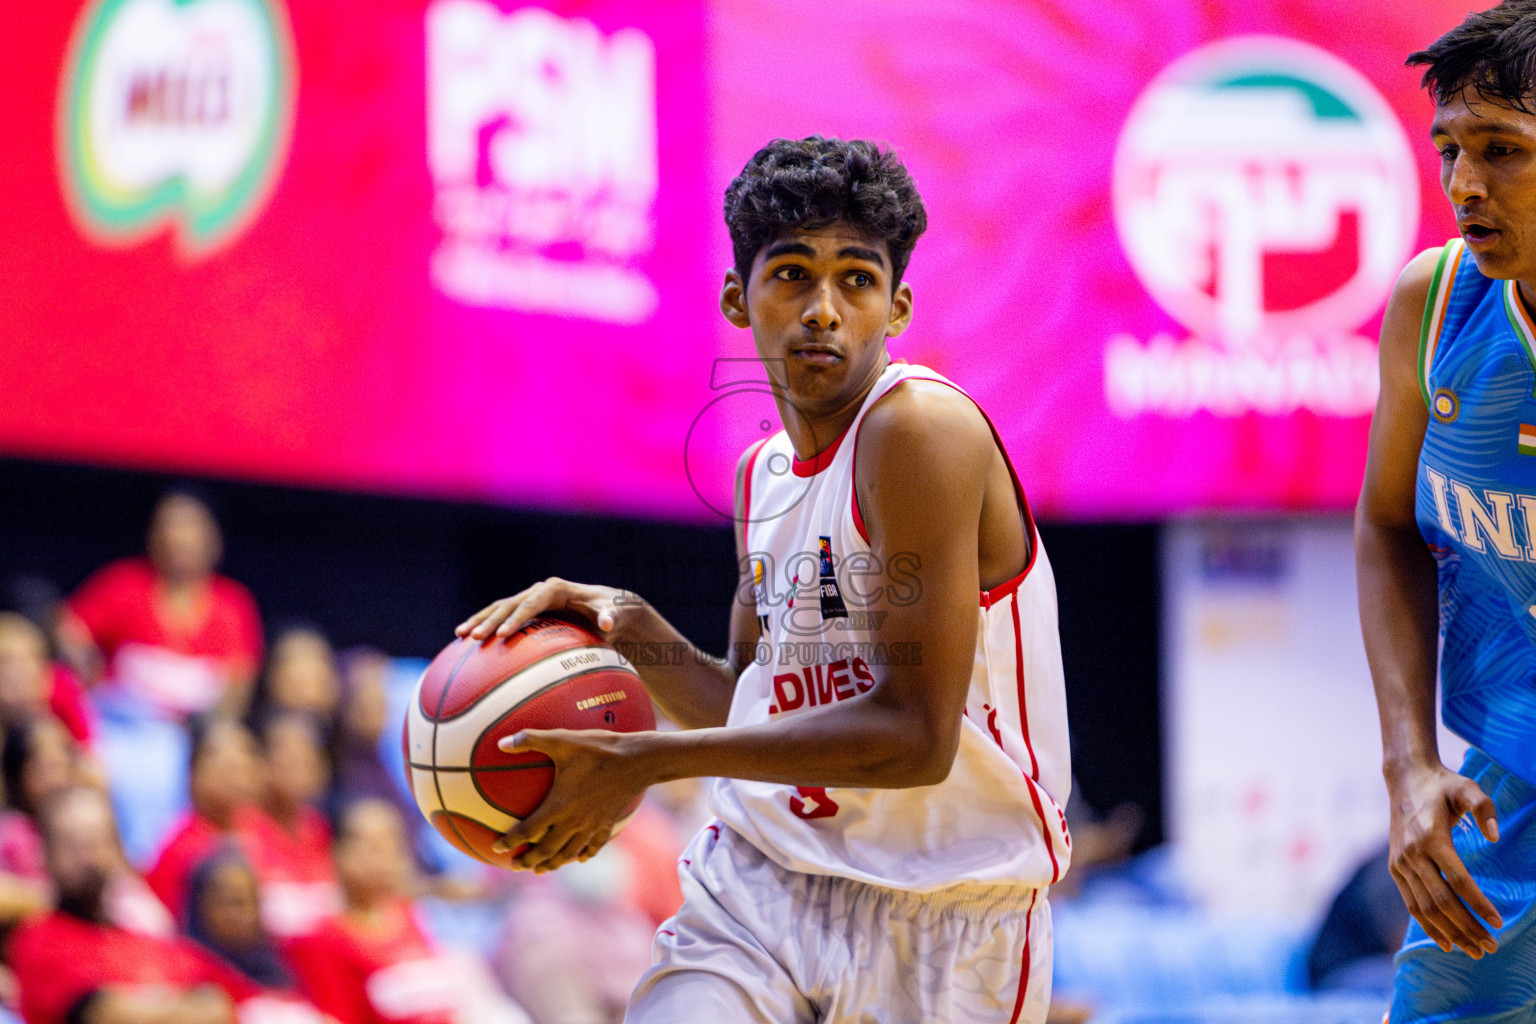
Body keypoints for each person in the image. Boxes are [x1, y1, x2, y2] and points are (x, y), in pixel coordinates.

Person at [458, 136, 1071, 1023]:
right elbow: (754, 711)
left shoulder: (922, 430)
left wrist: (645, 762)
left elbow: (915, 736)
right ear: (737, 299)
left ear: (896, 307)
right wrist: (632, 628)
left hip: (948, 917)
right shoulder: (760, 475)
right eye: (791, 275)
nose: (823, 310)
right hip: (760, 889)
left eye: (856, 280)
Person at [1356, 2, 1536, 1018]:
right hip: (1513, 781)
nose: (1466, 183)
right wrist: (1410, 764)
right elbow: (1388, 526)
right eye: (1451, 150)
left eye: (1503, 149)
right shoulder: (1434, 304)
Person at [7, 786, 254, 1024]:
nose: (88, 857)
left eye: (97, 841)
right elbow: (113, 1016)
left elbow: (224, 998)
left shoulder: (138, 933)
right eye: (71, 845)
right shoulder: (38, 940)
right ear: (44, 854)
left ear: (118, 849)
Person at [284, 799, 529, 1024]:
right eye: (370, 847)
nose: (383, 858)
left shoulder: (425, 916)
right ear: (336, 852)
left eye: (392, 844)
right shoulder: (322, 941)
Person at [60, 487, 263, 721]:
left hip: (197, 730)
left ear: (214, 540)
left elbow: (238, 683)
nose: (177, 537)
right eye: (169, 526)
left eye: (189, 526)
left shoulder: (233, 605)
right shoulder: (122, 584)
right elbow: (69, 630)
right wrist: (87, 674)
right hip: (120, 723)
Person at [145, 718, 270, 922]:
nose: (239, 779)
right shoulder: (180, 848)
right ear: (196, 775)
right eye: (229, 769)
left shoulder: (262, 827)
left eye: (245, 767)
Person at [249, 713, 341, 939]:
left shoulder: (320, 828)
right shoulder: (241, 830)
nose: (297, 769)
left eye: (306, 760)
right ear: (260, 764)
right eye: (286, 759)